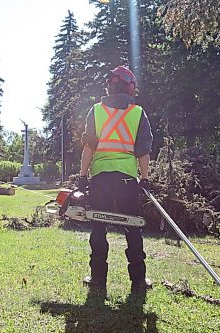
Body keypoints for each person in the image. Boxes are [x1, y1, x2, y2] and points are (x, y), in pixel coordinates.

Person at [78, 65, 153, 293]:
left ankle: (98, 279)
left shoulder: (96, 111)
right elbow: (143, 152)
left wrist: (82, 176)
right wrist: (145, 179)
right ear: (131, 88)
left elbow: (89, 147)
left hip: (100, 177)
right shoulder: (138, 113)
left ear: (109, 87)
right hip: (127, 180)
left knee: (98, 228)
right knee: (133, 228)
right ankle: (138, 280)